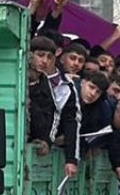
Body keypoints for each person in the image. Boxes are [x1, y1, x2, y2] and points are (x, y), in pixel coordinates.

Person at [27, 36, 81, 178]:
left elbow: (53, 115)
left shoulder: (49, 85)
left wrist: (47, 140)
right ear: (29, 54)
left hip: (35, 147)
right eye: (40, 55)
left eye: (49, 57)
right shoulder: (16, 76)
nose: (45, 61)